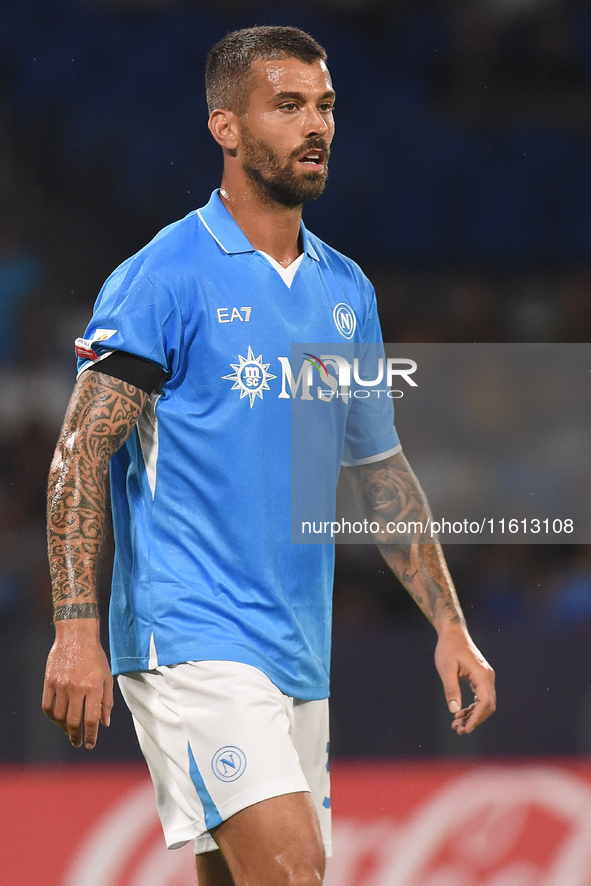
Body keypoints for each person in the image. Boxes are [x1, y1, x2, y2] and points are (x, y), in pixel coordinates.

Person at [42, 25, 496, 886]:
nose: (313, 125)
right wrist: (75, 628)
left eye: (323, 106)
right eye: (287, 106)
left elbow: (378, 475)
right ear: (225, 126)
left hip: (296, 647)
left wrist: (449, 626)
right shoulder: (165, 275)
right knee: (292, 872)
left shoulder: (344, 290)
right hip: (192, 636)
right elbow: (78, 455)